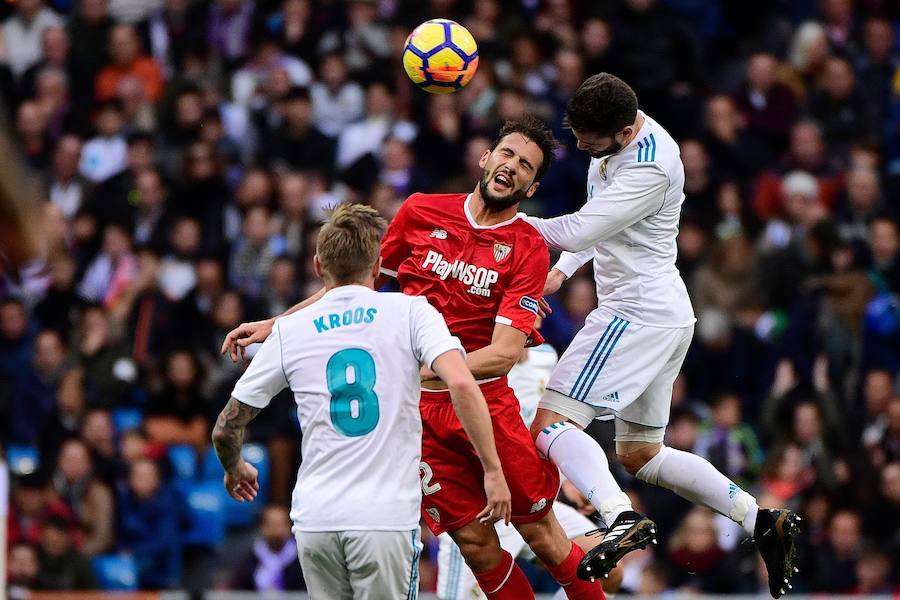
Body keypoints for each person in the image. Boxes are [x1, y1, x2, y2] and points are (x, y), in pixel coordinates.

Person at [222, 117, 605, 600]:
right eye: (507, 153)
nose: (512, 166)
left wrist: (427, 367)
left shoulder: (526, 247)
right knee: (476, 546)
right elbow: (350, 283)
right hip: (418, 419)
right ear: (486, 158)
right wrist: (277, 323)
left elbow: (505, 354)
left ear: (531, 187)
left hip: (486, 406)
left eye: (526, 165)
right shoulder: (421, 210)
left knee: (542, 535)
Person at [524, 72, 800, 597]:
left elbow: (579, 227)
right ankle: (759, 519)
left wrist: (491, 220)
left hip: (633, 315)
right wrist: (561, 271)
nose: (580, 148)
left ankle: (618, 516)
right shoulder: (613, 138)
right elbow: (599, 225)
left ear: (625, 132)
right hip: (663, 315)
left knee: (549, 424)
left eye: (589, 141)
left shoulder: (651, 163)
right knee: (641, 454)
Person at [211, 203, 511, 600]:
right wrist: (492, 469)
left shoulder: (290, 330)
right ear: (378, 265)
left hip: (316, 521)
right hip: (383, 520)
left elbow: (226, 427)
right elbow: (460, 382)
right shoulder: (411, 312)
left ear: (318, 266)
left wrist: (234, 467)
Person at [437, 336, 625, 599]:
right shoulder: (471, 361)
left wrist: (568, 479)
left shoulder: (546, 356)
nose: (538, 316)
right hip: (484, 507)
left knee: (607, 568)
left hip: (532, 502)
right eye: (530, 312)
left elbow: (552, 425)